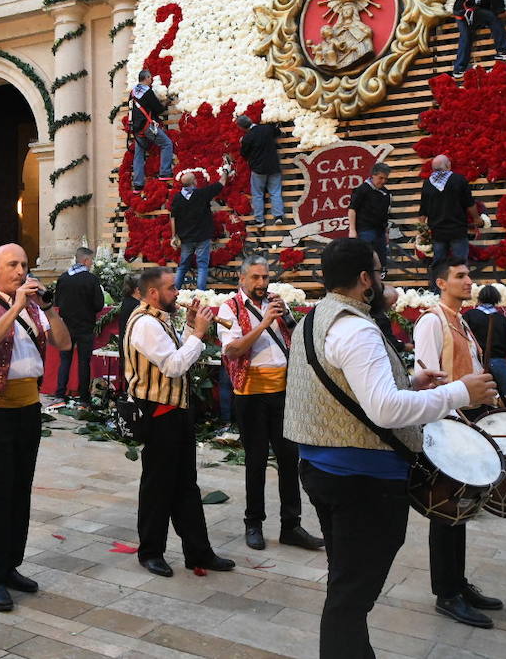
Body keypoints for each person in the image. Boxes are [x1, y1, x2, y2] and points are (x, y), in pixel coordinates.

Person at [284, 239, 498, 657]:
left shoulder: (315, 318)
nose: (383, 280)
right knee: (352, 596)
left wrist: (410, 384)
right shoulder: (357, 327)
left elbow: (346, 388)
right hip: (362, 482)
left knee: (347, 584)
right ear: (365, 279)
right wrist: (459, 391)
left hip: (324, 469)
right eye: (379, 273)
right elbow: (384, 410)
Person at [413, 257, 506, 630]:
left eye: (469, 275)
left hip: (467, 423)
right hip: (447, 428)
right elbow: (425, 380)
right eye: (460, 276)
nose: (468, 281)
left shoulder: (460, 321)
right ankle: (446, 593)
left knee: (460, 510)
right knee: (445, 513)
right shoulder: (432, 321)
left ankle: (458, 584)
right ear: (440, 282)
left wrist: (501, 401)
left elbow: (475, 377)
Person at [0, 244, 71, 612]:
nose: (21, 271)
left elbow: (64, 343)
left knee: (21, 488)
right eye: (13, 265)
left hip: (28, 404)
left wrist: (48, 306)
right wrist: (17, 307)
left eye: (24, 264)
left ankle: (10, 566)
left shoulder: (35, 306)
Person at [123, 266, 236, 578]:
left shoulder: (159, 318)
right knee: (158, 486)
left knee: (186, 485)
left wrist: (188, 329)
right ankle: (150, 552)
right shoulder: (145, 322)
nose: (178, 293)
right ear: (154, 293)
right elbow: (174, 367)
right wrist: (199, 333)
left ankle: (198, 551)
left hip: (175, 411)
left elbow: (176, 355)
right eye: (172, 288)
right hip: (158, 413)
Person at [218, 255, 323, 552]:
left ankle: (292, 526)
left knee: (290, 460)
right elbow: (234, 350)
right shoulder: (230, 308)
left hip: (283, 391)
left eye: (265, 277)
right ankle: (254, 523)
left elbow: (294, 337)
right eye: (255, 277)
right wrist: (264, 322)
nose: (262, 283)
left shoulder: (276, 302)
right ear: (241, 279)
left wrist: (287, 319)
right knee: (255, 461)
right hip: (250, 394)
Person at [53, 247, 103, 403]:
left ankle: (60, 393)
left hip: (67, 324)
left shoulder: (63, 278)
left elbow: (57, 302)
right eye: (91, 260)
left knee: (65, 360)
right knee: (83, 361)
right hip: (85, 325)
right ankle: (83, 396)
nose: (92, 263)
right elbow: (99, 304)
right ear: (86, 260)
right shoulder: (91, 279)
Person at [418, 155, 477, 285]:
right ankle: (461, 288)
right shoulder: (458, 180)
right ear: (448, 165)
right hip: (457, 229)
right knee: (460, 262)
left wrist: (423, 230)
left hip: (438, 231)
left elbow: (423, 210)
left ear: (433, 168)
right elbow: (470, 203)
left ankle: (436, 291)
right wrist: (477, 218)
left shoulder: (428, 183)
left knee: (439, 262)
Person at [170, 167, 231, 290]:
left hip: (186, 238)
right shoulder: (202, 194)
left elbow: (173, 218)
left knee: (182, 266)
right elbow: (221, 184)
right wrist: (225, 171)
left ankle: (175, 292)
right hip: (202, 237)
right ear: (194, 182)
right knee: (202, 266)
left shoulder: (177, 198)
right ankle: (201, 294)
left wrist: (174, 236)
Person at [462, 285, 506, 402]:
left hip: (477, 364)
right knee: (504, 403)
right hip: (499, 364)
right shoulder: (502, 319)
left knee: (481, 404)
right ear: (496, 299)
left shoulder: (469, 316)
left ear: (479, 298)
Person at [127, 69, 174, 191]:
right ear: (146, 78)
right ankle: (165, 173)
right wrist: (166, 102)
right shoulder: (147, 91)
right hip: (147, 126)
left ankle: (138, 184)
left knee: (139, 154)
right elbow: (158, 109)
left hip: (136, 129)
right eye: (150, 78)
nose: (151, 80)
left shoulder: (132, 92)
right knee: (167, 144)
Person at [236, 114, 284, 224]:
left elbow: (244, 155)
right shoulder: (266, 128)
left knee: (257, 195)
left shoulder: (247, 138)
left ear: (242, 128)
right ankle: (278, 217)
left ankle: (259, 220)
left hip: (258, 169)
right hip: (273, 166)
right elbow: (277, 132)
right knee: (275, 192)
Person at [347, 162, 392, 267]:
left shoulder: (386, 193)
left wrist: (386, 232)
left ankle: (378, 280)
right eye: (380, 178)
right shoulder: (362, 189)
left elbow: (385, 214)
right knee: (366, 258)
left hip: (380, 231)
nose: (383, 181)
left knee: (380, 260)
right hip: (365, 230)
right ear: (373, 175)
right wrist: (352, 230)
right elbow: (352, 209)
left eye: (386, 179)